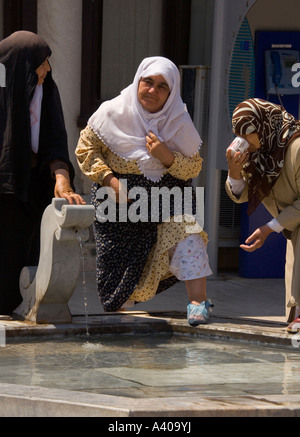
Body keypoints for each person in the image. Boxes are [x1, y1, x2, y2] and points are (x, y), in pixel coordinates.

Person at [76, 56, 213, 326]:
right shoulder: (110, 112)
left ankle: (198, 302)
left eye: (163, 86)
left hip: (168, 202)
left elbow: (194, 167)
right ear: (138, 80)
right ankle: (124, 327)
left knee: (188, 236)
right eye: (148, 82)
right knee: (120, 278)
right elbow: (85, 150)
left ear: (171, 93)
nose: (153, 90)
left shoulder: (178, 121)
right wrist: (110, 181)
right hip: (119, 207)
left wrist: (167, 157)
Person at [0, 31, 85, 316]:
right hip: (4, 187)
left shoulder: (45, 88)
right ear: (22, 64)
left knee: (30, 255)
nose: (47, 69)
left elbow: (55, 143)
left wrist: (62, 179)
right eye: (41, 62)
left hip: (33, 188)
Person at [225, 98, 300, 332]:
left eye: (247, 134)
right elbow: (242, 194)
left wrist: (271, 226)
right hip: (295, 227)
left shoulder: (296, 147)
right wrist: (234, 170)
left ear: (264, 126)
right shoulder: (262, 152)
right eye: (238, 134)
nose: (242, 142)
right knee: (294, 300)